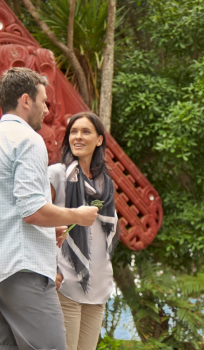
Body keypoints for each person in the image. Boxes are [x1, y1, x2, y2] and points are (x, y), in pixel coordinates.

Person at [0, 67, 99, 350]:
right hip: (24, 269)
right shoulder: (28, 140)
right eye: (43, 100)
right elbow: (32, 210)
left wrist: (49, 228)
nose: (47, 108)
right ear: (25, 100)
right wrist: (77, 216)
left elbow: (10, 207)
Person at [48, 112, 120, 350]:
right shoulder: (57, 174)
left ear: (99, 140)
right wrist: (51, 267)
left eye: (85, 131)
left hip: (97, 286)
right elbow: (38, 220)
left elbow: (105, 234)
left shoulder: (105, 184)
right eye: (73, 132)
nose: (77, 137)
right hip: (65, 280)